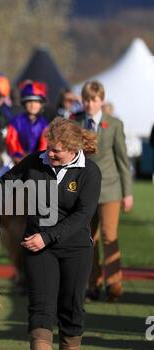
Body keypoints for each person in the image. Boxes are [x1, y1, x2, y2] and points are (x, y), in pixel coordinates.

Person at [0, 117, 101, 350]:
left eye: (56, 150)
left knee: (71, 308)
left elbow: (82, 217)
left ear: (73, 148)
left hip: (75, 249)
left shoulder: (89, 172)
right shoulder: (35, 162)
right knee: (40, 306)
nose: (50, 154)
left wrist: (48, 236)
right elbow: (6, 182)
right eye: (48, 148)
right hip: (37, 248)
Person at [72, 80, 133, 302]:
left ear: (101, 101)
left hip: (110, 190)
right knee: (89, 239)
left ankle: (114, 284)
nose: (89, 104)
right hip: (84, 191)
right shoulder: (76, 122)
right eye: (86, 100)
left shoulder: (114, 124)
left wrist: (127, 193)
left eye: (94, 100)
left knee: (109, 236)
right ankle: (92, 285)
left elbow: (123, 161)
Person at [5, 81, 48, 165]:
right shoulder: (16, 122)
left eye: (36, 102)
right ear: (24, 103)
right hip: (17, 161)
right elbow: (11, 141)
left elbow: (44, 144)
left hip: (38, 162)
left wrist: (38, 158)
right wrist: (18, 155)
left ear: (41, 104)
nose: (33, 105)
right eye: (29, 102)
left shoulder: (44, 124)